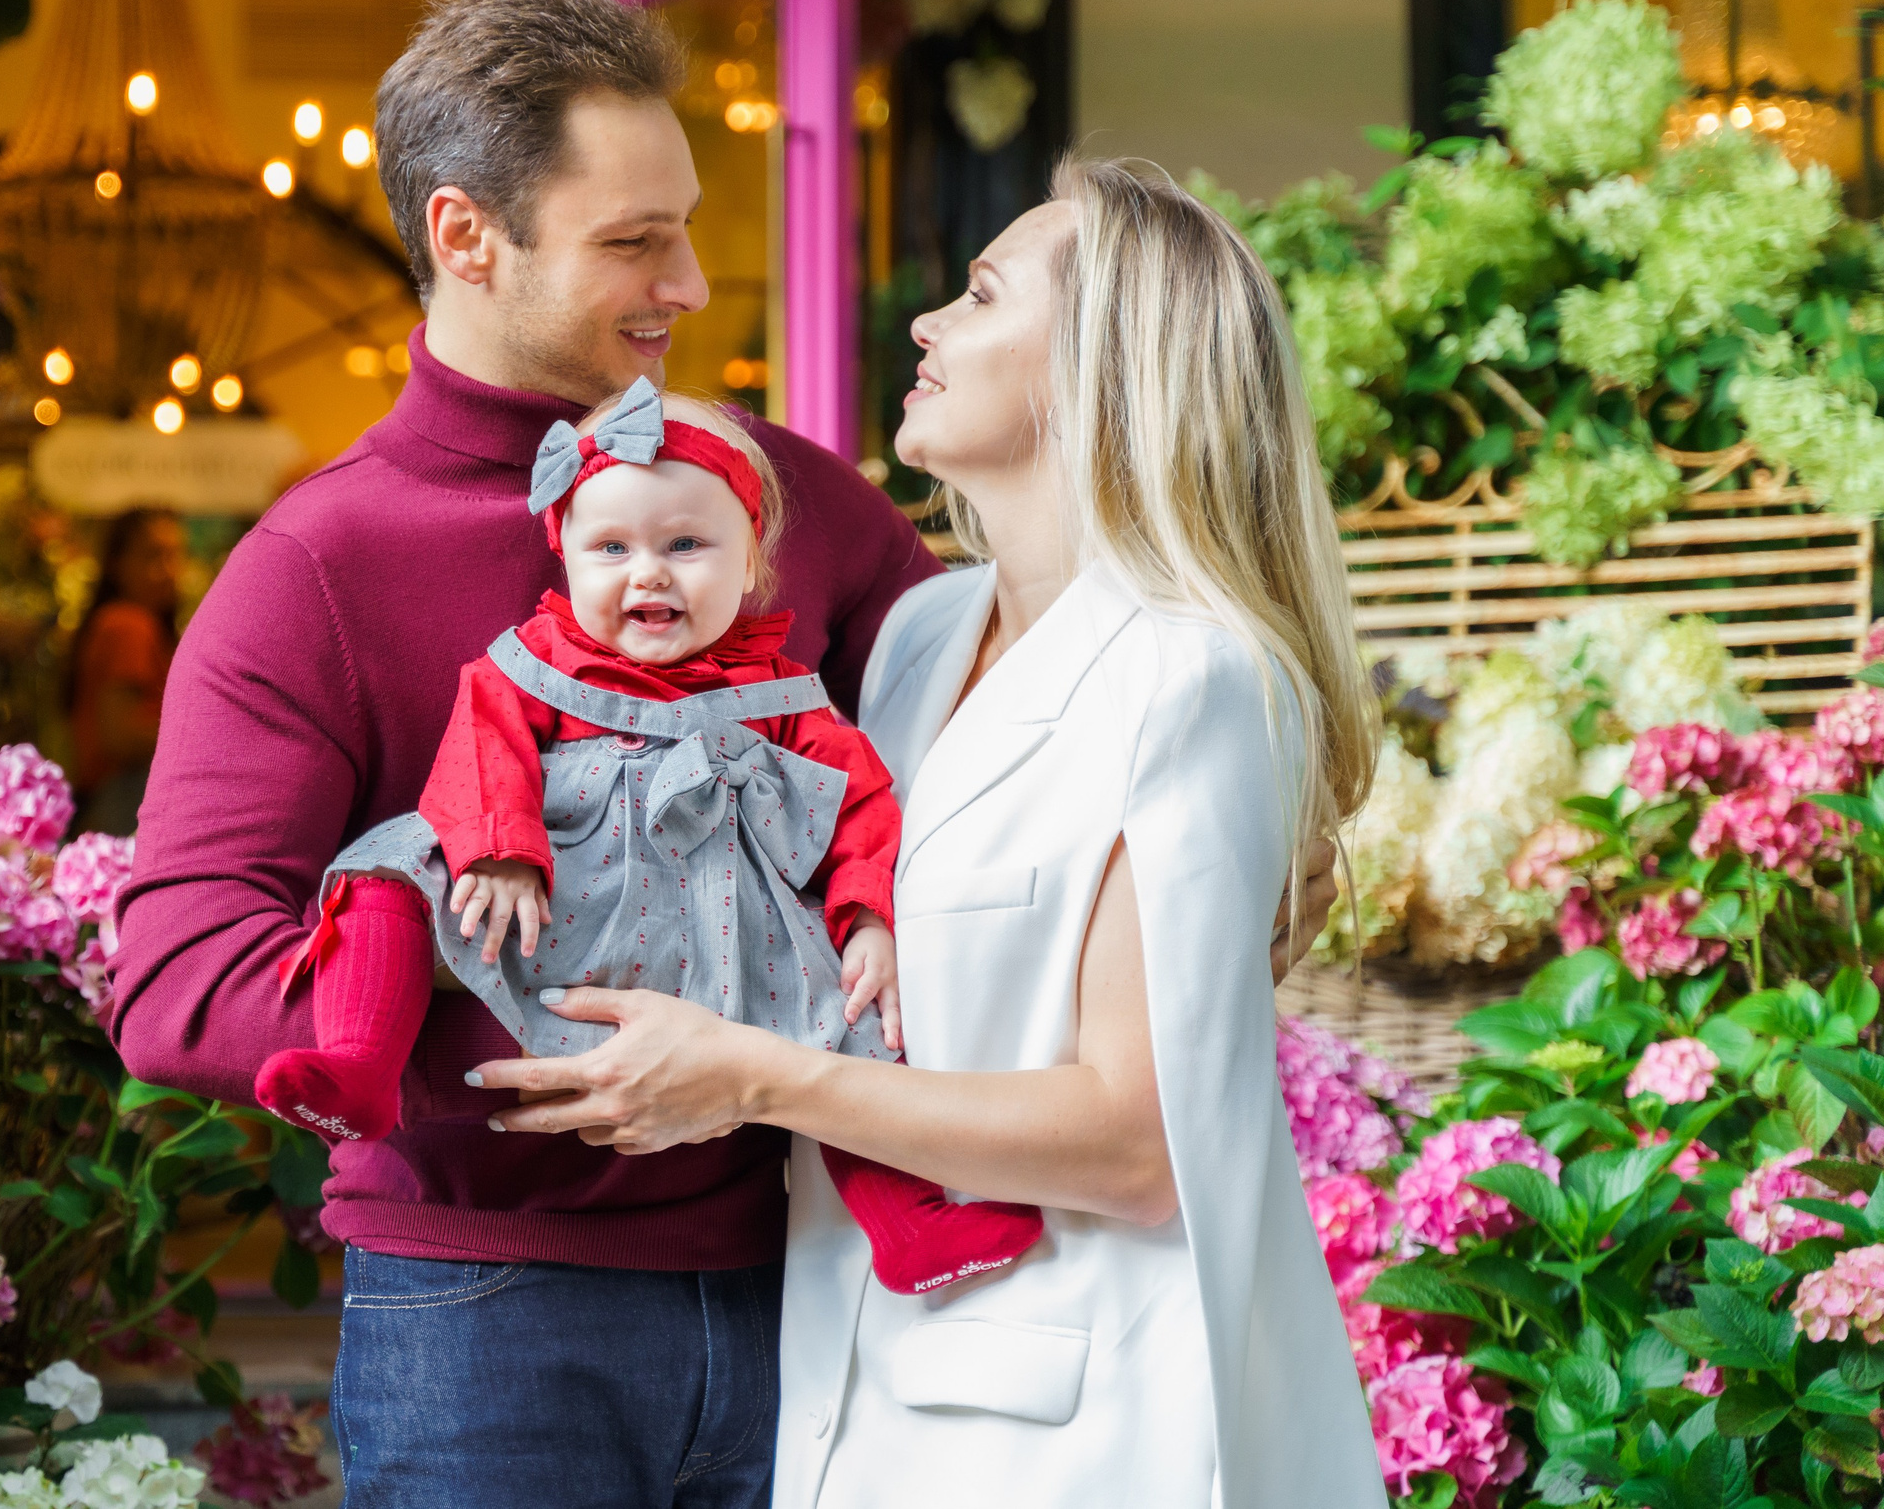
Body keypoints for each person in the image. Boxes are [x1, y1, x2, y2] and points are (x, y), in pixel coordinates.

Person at [109, 0, 1335, 1509]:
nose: (689, 282)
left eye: (686, 225)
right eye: (635, 240)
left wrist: (1247, 826)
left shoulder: (799, 503)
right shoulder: (317, 567)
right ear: (466, 237)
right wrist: (526, 993)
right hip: (488, 1316)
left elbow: (1032, 749)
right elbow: (175, 979)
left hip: (825, 1295)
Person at [463, 159, 1388, 1507]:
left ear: (1101, 368)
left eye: (983, 294)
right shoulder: (920, 635)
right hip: (859, 1389)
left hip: (1074, 1426)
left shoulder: (1192, 677)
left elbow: (1138, 1144)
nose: (927, 322)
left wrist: (750, 1077)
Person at [254, 377, 1042, 1296]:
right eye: (612, 548)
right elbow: (484, 737)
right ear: (567, 560)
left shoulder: (784, 695)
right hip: (554, 894)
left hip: (719, 922)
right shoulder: (537, 664)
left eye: (686, 545)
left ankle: (910, 1224)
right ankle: (359, 1064)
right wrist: (501, 847)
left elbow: (860, 801)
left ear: (751, 563)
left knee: (848, 1016)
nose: (649, 572)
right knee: (385, 873)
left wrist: (866, 916)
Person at [67, 508, 184, 835]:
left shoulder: (124, 622)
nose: (168, 570)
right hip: (123, 796)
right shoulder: (128, 624)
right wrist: (204, 733)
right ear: (117, 564)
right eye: (153, 556)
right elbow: (119, 736)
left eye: (175, 556)